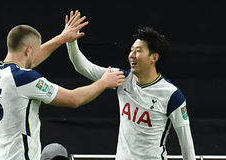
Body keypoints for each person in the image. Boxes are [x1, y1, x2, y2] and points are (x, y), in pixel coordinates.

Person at [0, 10, 125, 160]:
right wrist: (103, 82)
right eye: (34, 50)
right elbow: (74, 99)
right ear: (28, 50)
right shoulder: (24, 78)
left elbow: (28, 61)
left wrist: (61, 38)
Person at [65, 15, 196, 160]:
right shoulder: (122, 78)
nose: (131, 55)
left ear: (154, 57)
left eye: (138, 51)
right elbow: (83, 67)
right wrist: (71, 42)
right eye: (131, 50)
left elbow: (187, 145)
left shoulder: (172, 95)